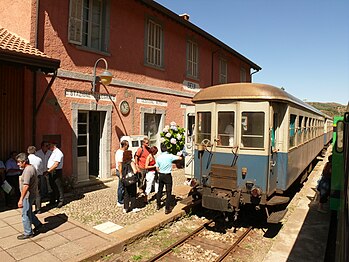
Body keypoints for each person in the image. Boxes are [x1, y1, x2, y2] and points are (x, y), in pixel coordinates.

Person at [16, 153, 42, 239]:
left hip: (27, 196)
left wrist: (21, 199)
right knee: (29, 211)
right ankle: (38, 224)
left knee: (25, 214)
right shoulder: (31, 167)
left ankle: (28, 232)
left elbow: (26, 185)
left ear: (24, 162)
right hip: (31, 194)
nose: (18, 164)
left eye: (19, 162)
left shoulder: (28, 170)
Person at [156, 143, 182, 214]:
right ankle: (167, 208)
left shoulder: (158, 157)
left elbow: (157, 168)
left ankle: (158, 204)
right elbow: (180, 158)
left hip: (161, 174)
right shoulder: (170, 156)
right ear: (167, 149)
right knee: (168, 191)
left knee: (160, 190)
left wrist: (160, 173)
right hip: (167, 175)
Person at [47, 141, 64, 208]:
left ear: (53, 145)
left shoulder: (58, 153)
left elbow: (56, 164)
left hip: (55, 171)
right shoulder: (53, 152)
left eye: (49, 145)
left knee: (58, 186)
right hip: (51, 171)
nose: (48, 146)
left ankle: (60, 201)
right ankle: (53, 200)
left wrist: (48, 171)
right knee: (52, 186)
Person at [27, 146, 44, 214]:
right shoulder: (39, 159)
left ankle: (29, 208)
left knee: (29, 193)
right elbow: (42, 168)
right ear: (35, 151)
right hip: (38, 176)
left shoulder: (27, 159)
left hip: (29, 177)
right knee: (38, 193)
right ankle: (38, 208)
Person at [115, 140, 129, 207]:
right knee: (121, 186)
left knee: (122, 186)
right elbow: (120, 164)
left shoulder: (119, 151)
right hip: (120, 170)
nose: (128, 146)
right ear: (125, 145)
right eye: (127, 145)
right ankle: (120, 201)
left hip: (120, 170)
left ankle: (122, 198)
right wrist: (121, 174)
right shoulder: (121, 153)